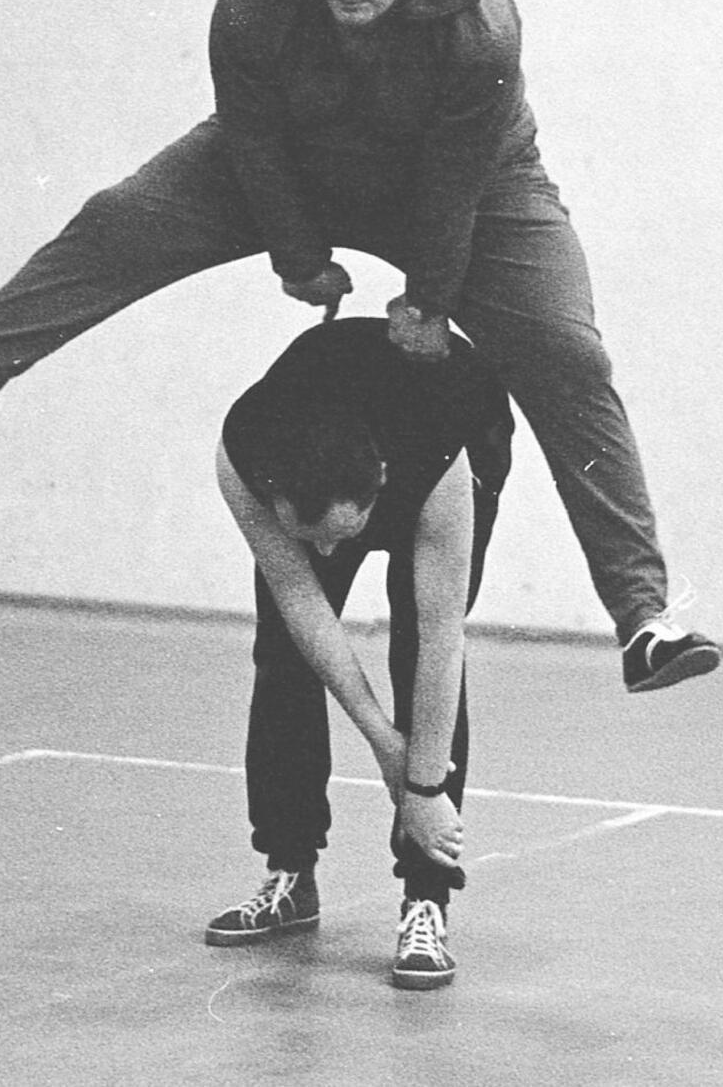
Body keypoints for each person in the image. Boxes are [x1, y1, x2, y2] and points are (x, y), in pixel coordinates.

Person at [0, 0, 719, 693]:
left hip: (468, 183)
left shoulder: (480, 23)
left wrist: (429, 303)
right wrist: (300, 259)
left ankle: (642, 619)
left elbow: (452, 188)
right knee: (113, 225)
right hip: (290, 156)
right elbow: (250, 139)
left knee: (566, 352)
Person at [202, 315, 511, 990]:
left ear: (378, 488)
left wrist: (422, 786)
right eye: (311, 539)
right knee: (283, 652)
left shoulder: (440, 460)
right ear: (274, 491)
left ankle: (426, 898)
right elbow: (300, 600)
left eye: (346, 535)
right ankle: (290, 871)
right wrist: (383, 744)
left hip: (458, 423)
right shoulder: (244, 451)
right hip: (327, 436)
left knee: (414, 649)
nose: (331, 557)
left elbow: (439, 636)